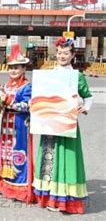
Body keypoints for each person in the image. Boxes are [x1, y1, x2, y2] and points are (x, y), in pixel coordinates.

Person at [33, 37, 93, 214]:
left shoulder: (77, 76)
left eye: (66, 53)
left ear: (73, 55)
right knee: (49, 158)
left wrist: (85, 107)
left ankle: (66, 199)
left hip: (68, 123)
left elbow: (88, 96)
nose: (62, 56)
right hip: (50, 124)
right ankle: (50, 196)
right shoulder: (48, 74)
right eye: (59, 53)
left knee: (67, 158)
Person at [0, 44, 34, 203]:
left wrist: (9, 103)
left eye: (17, 67)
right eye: (11, 67)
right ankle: (6, 185)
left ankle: (20, 188)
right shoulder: (8, 85)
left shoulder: (27, 86)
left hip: (20, 124)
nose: (13, 71)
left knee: (19, 153)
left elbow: (28, 106)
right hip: (6, 124)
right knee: (6, 152)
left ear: (24, 69)